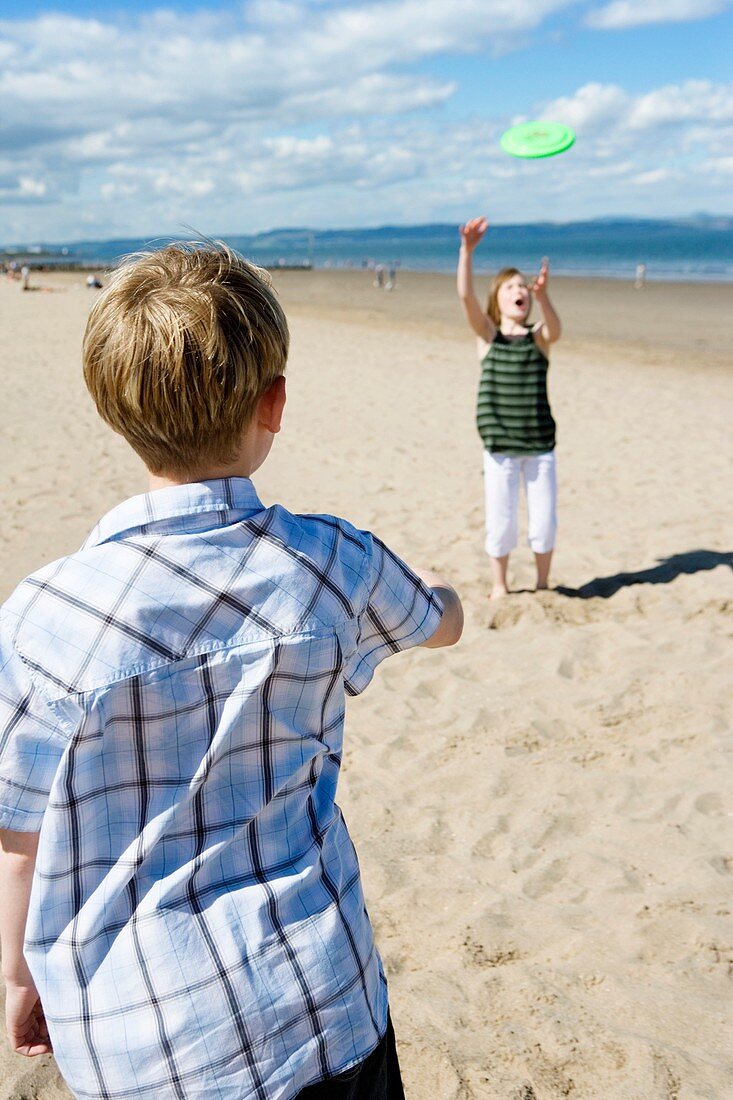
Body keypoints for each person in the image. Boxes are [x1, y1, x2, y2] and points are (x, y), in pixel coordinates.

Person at [0, 242, 463, 1100]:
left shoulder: (41, 618)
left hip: (144, 1041)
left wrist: (21, 977)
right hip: (326, 1004)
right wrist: (439, 587)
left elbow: (19, 840)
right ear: (273, 403)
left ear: (114, 408)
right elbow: (438, 622)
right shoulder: (328, 562)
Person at [457, 216, 561, 599]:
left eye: (524, 287)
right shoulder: (488, 336)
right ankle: (500, 585)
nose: (520, 290)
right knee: (501, 521)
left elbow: (556, 329)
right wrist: (467, 251)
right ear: (498, 300)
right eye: (511, 286)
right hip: (499, 445)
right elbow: (466, 297)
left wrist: (545, 295)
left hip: (539, 445)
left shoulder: (539, 338)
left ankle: (542, 582)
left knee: (544, 522)